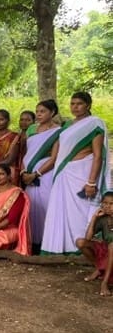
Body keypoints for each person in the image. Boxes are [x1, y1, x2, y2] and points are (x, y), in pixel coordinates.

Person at [41, 92, 110, 255]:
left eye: (79, 103)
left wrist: (91, 182)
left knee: (79, 210)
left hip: (82, 172)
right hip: (64, 173)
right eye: (72, 104)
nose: (75, 107)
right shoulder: (67, 126)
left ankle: (80, 247)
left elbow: (98, 155)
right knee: (62, 210)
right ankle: (61, 247)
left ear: (88, 105)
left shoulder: (95, 124)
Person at [20, 100, 60, 252]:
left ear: (52, 112)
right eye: (37, 111)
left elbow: (54, 158)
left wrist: (36, 174)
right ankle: (33, 242)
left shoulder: (58, 131)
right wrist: (24, 173)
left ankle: (47, 243)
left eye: (43, 111)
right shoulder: (31, 129)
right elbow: (26, 154)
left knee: (45, 207)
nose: (39, 114)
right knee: (31, 207)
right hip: (27, 175)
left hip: (45, 176)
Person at [77, 192, 113, 296]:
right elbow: (87, 238)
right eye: (105, 203)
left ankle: (104, 283)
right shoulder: (103, 219)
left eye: (111, 204)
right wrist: (94, 217)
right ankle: (99, 269)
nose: (107, 206)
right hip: (108, 254)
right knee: (80, 242)